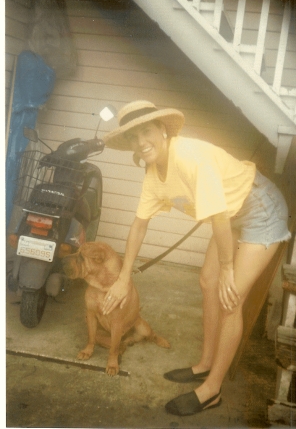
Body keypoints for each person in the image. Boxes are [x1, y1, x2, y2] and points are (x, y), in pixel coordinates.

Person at [102, 100, 291, 416]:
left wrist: (229, 269)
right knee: (208, 281)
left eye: (145, 131)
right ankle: (205, 362)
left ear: (162, 129)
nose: (141, 142)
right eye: (133, 137)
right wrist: (123, 279)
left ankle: (212, 389)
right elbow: (139, 225)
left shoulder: (189, 158)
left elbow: (217, 216)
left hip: (260, 209)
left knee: (231, 298)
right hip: (230, 214)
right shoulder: (153, 172)